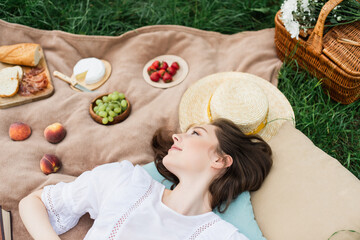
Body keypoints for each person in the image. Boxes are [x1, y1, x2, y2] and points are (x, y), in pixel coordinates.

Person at [19, 118, 272, 240]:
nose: (176, 136)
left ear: (219, 160)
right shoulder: (125, 181)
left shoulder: (223, 237)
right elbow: (32, 202)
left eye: (195, 133)